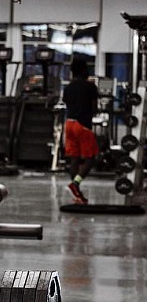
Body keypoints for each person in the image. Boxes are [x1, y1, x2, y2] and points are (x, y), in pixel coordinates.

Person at [62, 58, 99, 204]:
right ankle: (76, 183)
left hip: (69, 124)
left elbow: (68, 103)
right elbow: (94, 108)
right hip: (82, 125)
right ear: (84, 70)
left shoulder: (69, 87)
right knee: (91, 157)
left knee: (75, 158)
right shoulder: (90, 86)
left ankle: (77, 194)